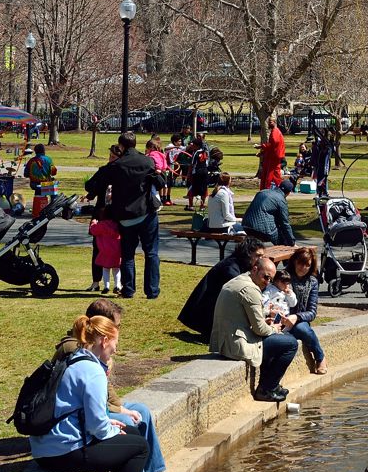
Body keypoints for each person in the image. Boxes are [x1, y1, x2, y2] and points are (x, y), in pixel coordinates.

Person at [31, 312, 150, 472]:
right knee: (139, 447)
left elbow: (86, 414)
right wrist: (111, 428)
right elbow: (97, 427)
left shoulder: (75, 359)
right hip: (62, 452)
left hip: (49, 446)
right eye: (115, 342)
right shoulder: (93, 371)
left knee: (132, 433)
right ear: (104, 341)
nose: (116, 349)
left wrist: (112, 424)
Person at [53, 299, 180, 472]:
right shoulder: (75, 348)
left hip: (97, 407)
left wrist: (120, 406)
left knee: (142, 411)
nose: (119, 333)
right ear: (104, 330)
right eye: (117, 327)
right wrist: (119, 412)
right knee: (131, 427)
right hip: (82, 415)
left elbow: (105, 388)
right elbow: (92, 399)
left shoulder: (93, 350)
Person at [210, 253, 300, 402]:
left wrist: (267, 312)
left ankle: (271, 385)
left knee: (279, 341)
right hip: (236, 345)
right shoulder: (251, 290)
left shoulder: (239, 280)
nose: (267, 282)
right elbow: (260, 330)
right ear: (254, 269)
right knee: (290, 343)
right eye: (265, 277)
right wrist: (275, 329)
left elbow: (245, 311)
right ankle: (267, 388)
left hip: (226, 340)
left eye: (270, 279)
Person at [85, 133, 160, 300]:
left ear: (121, 146)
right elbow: (158, 181)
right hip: (146, 212)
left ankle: (128, 289)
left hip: (126, 216)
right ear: (135, 143)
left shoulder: (116, 166)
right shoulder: (147, 161)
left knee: (127, 255)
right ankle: (152, 291)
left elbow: (92, 184)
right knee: (151, 253)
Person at [177, 240, 265, 341]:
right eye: (258, 256)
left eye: (262, 256)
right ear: (247, 254)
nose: (260, 260)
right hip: (206, 314)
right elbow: (244, 292)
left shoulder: (238, 263)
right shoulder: (230, 268)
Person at [284, 246, 328, 374]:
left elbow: (312, 312)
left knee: (302, 329)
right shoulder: (284, 276)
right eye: (300, 263)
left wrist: (296, 317)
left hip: (300, 320)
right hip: (282, 317)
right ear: (294, 261)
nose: (302, 268)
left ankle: (320, 357)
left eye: (307, 265)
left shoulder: (313, 282)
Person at [242, 179, 296, 246]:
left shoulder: (263, 192)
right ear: (288, 193)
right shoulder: (281, 200)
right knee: (284, 242)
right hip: (262, 229)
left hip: (246, 225)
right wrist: (291, 241)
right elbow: (285, 223)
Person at [89, 207, 123, 294]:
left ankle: (106, 286)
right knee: (116, 269)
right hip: (116, 251)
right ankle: (117, 285)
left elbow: (93, 230)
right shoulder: (117, 225)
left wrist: (93, 223)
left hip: (104, 251)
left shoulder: (101, 225)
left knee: (105, 269)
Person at [23, 143, 59, 219]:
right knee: (54, 194)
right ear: (44, 151)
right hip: (46, 185)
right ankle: (53, 209)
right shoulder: (48, 159)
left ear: (35, 151)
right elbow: (54, 172)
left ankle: (38, 209)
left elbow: (25, 174)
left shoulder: (31, 161)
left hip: (34, 185)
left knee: (39, 192)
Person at [258, 114, 286, 189]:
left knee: (271, 174)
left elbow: (273, 144)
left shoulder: (275, 132)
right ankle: (274, 186)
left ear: (275, 122)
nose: (270, 123)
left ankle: (269, 188)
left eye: (271, 122)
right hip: (273, 156)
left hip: (274, 157)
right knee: (274, 173)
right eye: (269, 122)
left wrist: (262, 146)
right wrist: (262, 152)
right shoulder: (275, 132)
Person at [186, 138, 211, 210]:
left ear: (197, 146)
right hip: (205, 172)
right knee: (204, 188)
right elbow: (207, 163)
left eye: (193, 145)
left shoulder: (196, 153)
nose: (192, 146)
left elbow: (192, 164)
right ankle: (202, 206)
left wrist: (188, 174)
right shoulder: (205, 152)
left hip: (196, 172)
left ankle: (191, 205)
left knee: (192, 187)